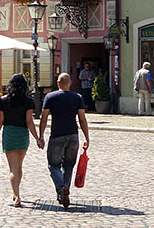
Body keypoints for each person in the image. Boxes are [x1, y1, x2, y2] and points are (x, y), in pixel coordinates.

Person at [40, 73, 89, 209]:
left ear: (58, 83)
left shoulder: (50, 97)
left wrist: (41, 136)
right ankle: (64, 189)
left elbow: (43, 118)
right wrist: (86, 137)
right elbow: (82, 119)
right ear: (70, 83)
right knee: (68, 165)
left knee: (53, 165)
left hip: (57, 135)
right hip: (73, 135)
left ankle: (62, 188)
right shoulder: (77, 98)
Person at [0, 74, 42, 208]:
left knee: (12, 168)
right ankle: (16, 193)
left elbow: (0, 121)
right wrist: (37, 138)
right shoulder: (28, 101)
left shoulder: (3, 100)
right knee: (19, 166)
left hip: (9, 133)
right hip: (22, 134)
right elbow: (29, 122)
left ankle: (16, 195)